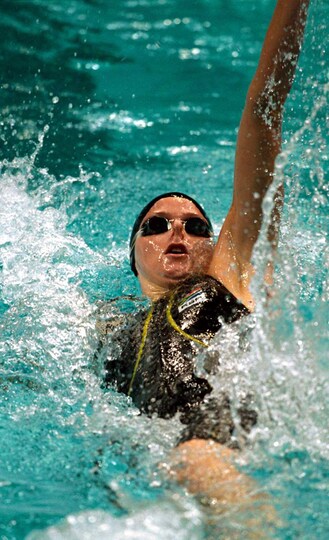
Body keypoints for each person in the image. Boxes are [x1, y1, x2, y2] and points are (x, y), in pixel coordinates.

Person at [101, 0, 310, 512]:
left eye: (195, 227)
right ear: (134, 253)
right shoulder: (111, 325)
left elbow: (263, 119)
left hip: (209, 436)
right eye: (157, 225)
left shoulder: (224, 278)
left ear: (215, 246)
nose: (177, 230)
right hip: (147, 455)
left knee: (195, 458)